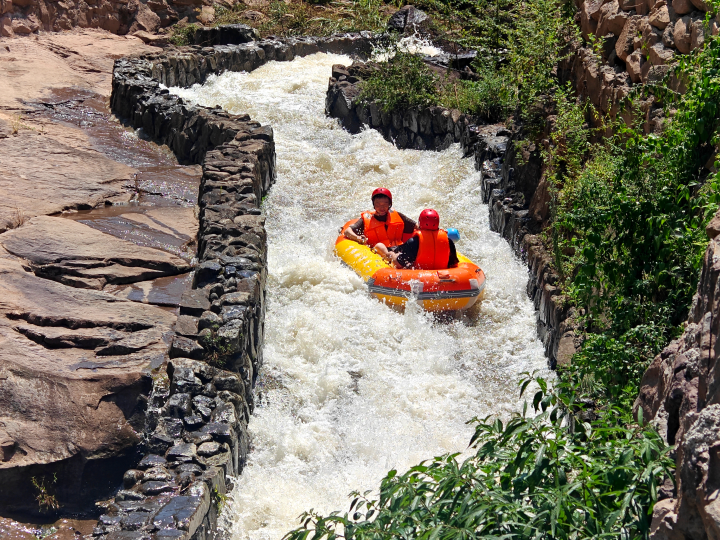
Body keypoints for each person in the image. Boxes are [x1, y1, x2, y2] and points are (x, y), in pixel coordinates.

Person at [383, 209, 459, 270]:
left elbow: (400, 263)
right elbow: (453, 264)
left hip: (420, 276)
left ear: (420, 222)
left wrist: (392, 253)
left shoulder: (414, 241)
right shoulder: (448, 241)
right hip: (442, 274)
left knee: (392, 255)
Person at [343, 188, 417, 248]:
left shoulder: (398, 216)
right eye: (378, 204)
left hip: (398, 251)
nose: (382, 208)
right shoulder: (366, 220)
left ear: (390, 204)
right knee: (380, 247)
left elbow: (416, 226)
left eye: (385, 204)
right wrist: (358, 238)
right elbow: (347, 232)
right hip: (377, 255)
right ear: (374, 205)